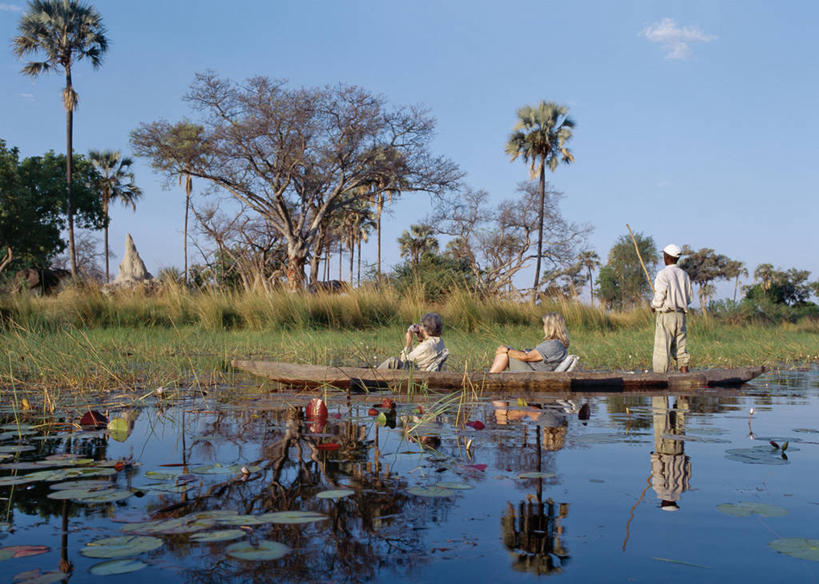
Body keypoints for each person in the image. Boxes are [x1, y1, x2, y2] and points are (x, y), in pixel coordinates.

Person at [651, 244, 693, 373]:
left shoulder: (663, 274)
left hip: (666, 316)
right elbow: (689, 298)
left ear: (667, 257)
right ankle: (686, 377)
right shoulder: (684, 275)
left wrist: (654, 306)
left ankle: (659, 382)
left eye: (664, 255)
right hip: (681, 316)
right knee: (681, 349)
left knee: (662, 351)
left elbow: (660, 295)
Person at [490, 312, 569, 373]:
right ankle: (491, 376)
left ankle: (489, 377)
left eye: (544, 324)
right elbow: (537, 357)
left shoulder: (553, 344)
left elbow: (526, 357)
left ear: (550, 327)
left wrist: (507, 350)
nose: (543, 327)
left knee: (505, 352)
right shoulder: (558, 344)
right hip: (535, 369)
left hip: (533, 373)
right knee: (507, 350)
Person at [377, 312, 447, 371]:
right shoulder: (440, 342)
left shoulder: (426, 346)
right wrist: (421, 338)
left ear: (424, 329)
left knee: (393, 361)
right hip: (424, 372)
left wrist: (408, 342)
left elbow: (404, 360)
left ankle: (372, 379)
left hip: (416, 375)